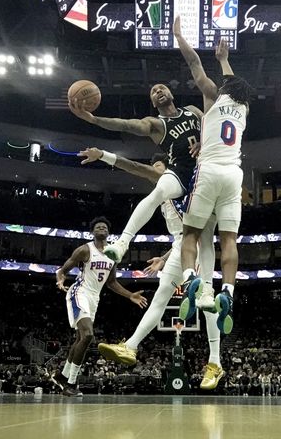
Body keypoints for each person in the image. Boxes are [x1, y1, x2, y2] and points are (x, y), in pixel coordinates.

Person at [79, 148, 225, 390]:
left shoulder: (183, 183)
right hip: (180, 246)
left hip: (197, 244)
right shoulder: (162, 197)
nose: (154, 175)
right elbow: (180, 234)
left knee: (206, 301)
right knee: (159, 298)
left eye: (159, 170)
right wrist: (165, 258)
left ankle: (215, 362)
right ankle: (131, 346)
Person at [173, 16, 252, 334]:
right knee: (229, 239)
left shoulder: (213, 97)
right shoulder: (244, 109)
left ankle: (191, 280)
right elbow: (234, 85)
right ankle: (229, 292)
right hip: (235, 176)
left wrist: (180, 37)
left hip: (209, 171)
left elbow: (194, 65)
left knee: (189, 233)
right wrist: (225, 60)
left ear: (224, 89)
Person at [68, 81, 203, 265]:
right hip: (182, 172)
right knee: (159, 191)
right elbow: (125, 125)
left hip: (204, 173)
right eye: (153, 91)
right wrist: (94, 119)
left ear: (171, 92)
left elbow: (214, 127)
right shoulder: (155, 124)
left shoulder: (192, 110)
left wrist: (204, 141)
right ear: (153, 103)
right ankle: (122, 243)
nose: (158, 90)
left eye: (161, 87)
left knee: (205, 236)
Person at [51, 217, 147, 397]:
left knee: (80, 339)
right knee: (88, 335)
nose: (102, 228)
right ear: (93, 232)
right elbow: (63, 270)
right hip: (80, 292)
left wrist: (130, 295)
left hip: (94, 298)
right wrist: (60, 278)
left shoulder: (113, 254)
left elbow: (111, 282)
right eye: (98, 226)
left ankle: (62, 376)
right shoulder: (85, 250)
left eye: (104, 226)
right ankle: (71, 383)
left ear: (108, 232)